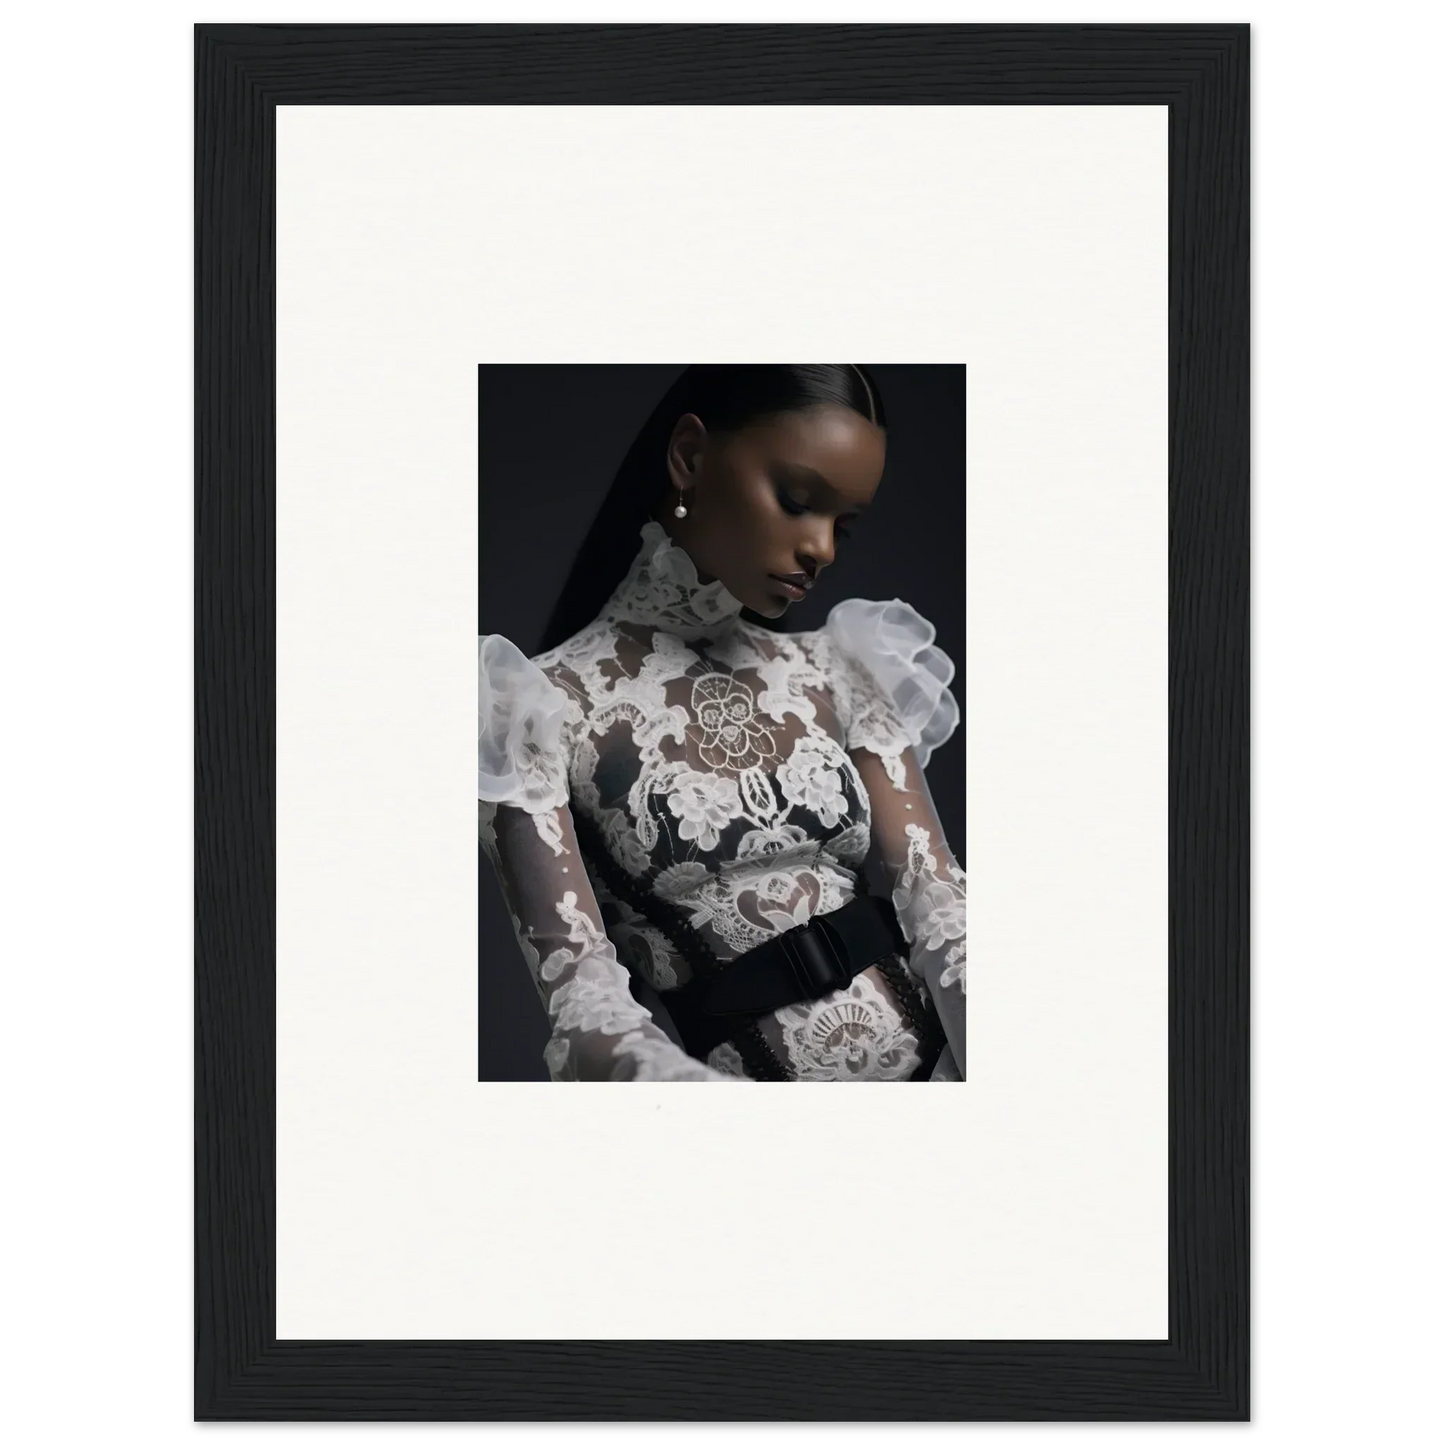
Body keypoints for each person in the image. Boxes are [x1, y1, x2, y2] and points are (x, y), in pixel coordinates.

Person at [478, 364, 966, 1081]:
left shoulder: (842, 665)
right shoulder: (537, 702)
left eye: (845, 524)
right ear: (689, 457)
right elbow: (581, 996)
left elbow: (937, 899)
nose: (822, 548)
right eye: (798, 500)